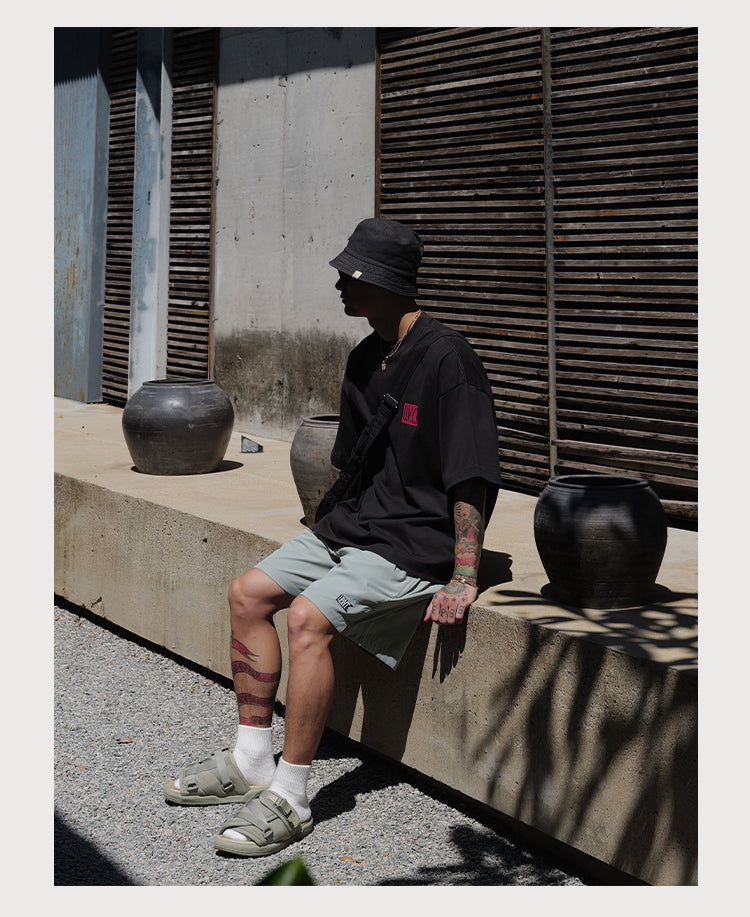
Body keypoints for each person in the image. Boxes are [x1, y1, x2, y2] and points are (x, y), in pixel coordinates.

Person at [164, 218, 502, 858]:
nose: (341, 286)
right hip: (357, 524)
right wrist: (326, 528)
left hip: (414, 540)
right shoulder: (366, 356)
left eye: (352, 275)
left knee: (307, 618)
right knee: (247, 593)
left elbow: (471, 474)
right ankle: (252, 758)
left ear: (387, 281)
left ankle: (291, 796)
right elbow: (350, 461)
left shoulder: (448, 359)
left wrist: (463, 575)